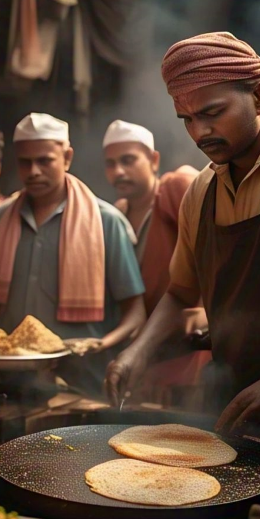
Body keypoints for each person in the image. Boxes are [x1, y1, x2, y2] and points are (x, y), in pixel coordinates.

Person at [105, 32, 260, 432]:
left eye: (212, 113)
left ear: (259, 96)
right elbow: (182, 291)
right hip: (233, 410)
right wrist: (137, 353)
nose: (200, 133)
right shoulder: (201, 191)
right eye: (187, 119)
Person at [0, 113, 146, 395]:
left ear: (67, 157)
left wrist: (102, 344)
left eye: (45, 160)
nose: (33, 171)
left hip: (83, 383)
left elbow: (135, 312)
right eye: (25, 162)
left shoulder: (105, 221)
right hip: (5, 384)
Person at [103, 120, 208, 403]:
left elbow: (217, 256)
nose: (119, 171)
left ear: (153, 159)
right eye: (110, 164)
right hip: (144, 354)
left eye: (128, 160)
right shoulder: (116, 216)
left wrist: (207, 313)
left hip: (186, 348)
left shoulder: (175, 189)